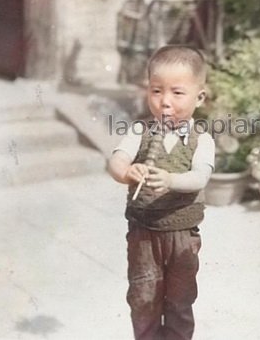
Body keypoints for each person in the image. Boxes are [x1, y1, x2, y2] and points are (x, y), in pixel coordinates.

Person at [108, 45, 215, 340]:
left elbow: (199, 178)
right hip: (144, 233)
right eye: (156, 91)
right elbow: (116, 161)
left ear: (200, 97)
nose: (165, 102)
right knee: (143, 299)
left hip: (182, 235)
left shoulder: (201, 139)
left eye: (177, 93)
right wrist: (127, 172)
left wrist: (170, 179)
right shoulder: (140, 131)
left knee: (180, 301)